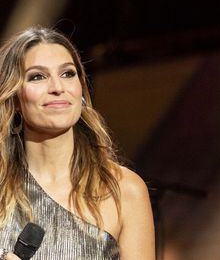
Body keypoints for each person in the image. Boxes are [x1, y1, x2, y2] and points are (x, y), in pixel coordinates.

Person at [0, 26, 155, 260]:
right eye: (37, 77)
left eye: (68, 73)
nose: (57, 88)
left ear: (80, 90)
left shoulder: (123, 190)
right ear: (15, 99)